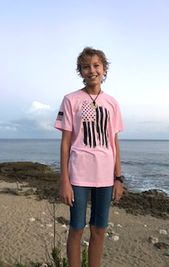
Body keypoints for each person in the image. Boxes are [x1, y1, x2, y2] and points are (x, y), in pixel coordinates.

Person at [54, 47, 124, 267]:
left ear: (104, 69)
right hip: (78, 175)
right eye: (86, 66)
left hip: (105, 175)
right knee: (76, 228)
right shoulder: (70, 99)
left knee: (100, 229)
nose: (91, 70)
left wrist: (118, 178)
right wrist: (64, 180)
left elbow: (114, 142)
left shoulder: (112, 103)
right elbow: (65, 143)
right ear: (81, 71)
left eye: (96, 65)